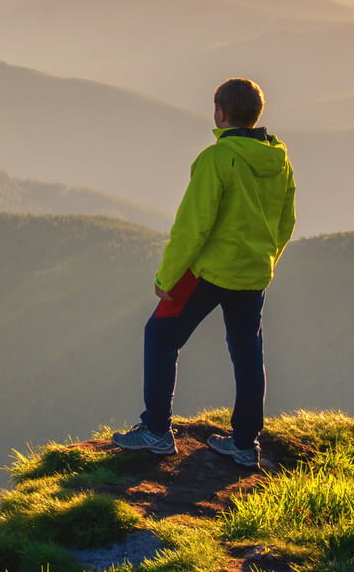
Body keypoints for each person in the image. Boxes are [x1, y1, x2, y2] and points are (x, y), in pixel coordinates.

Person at [112, 77, 296, 468]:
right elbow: (287, 221)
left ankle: (157, 432)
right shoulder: (280, 161)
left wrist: (167, 278)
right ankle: (246, 443)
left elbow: (192, 227)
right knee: (247, 354)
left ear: (220, 113)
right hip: (253, 274)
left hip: (209, 271)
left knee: (159, 335)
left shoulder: (217, 159)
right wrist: (266, 260)